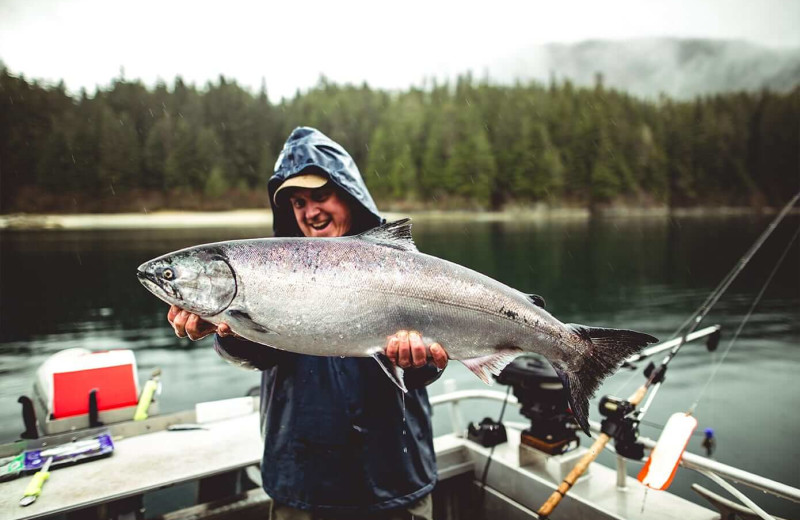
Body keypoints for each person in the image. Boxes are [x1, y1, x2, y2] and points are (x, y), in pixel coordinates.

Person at [167, 126, 448, 520]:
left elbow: (427, 367)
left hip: (395, 479)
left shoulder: (407, 272)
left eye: (321, 196)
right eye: (298, 203)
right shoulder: (265, 277)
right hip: (302, 483)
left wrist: (420, 365)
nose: (310, 212)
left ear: (349, 193)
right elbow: (258, 352)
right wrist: (227, 333)